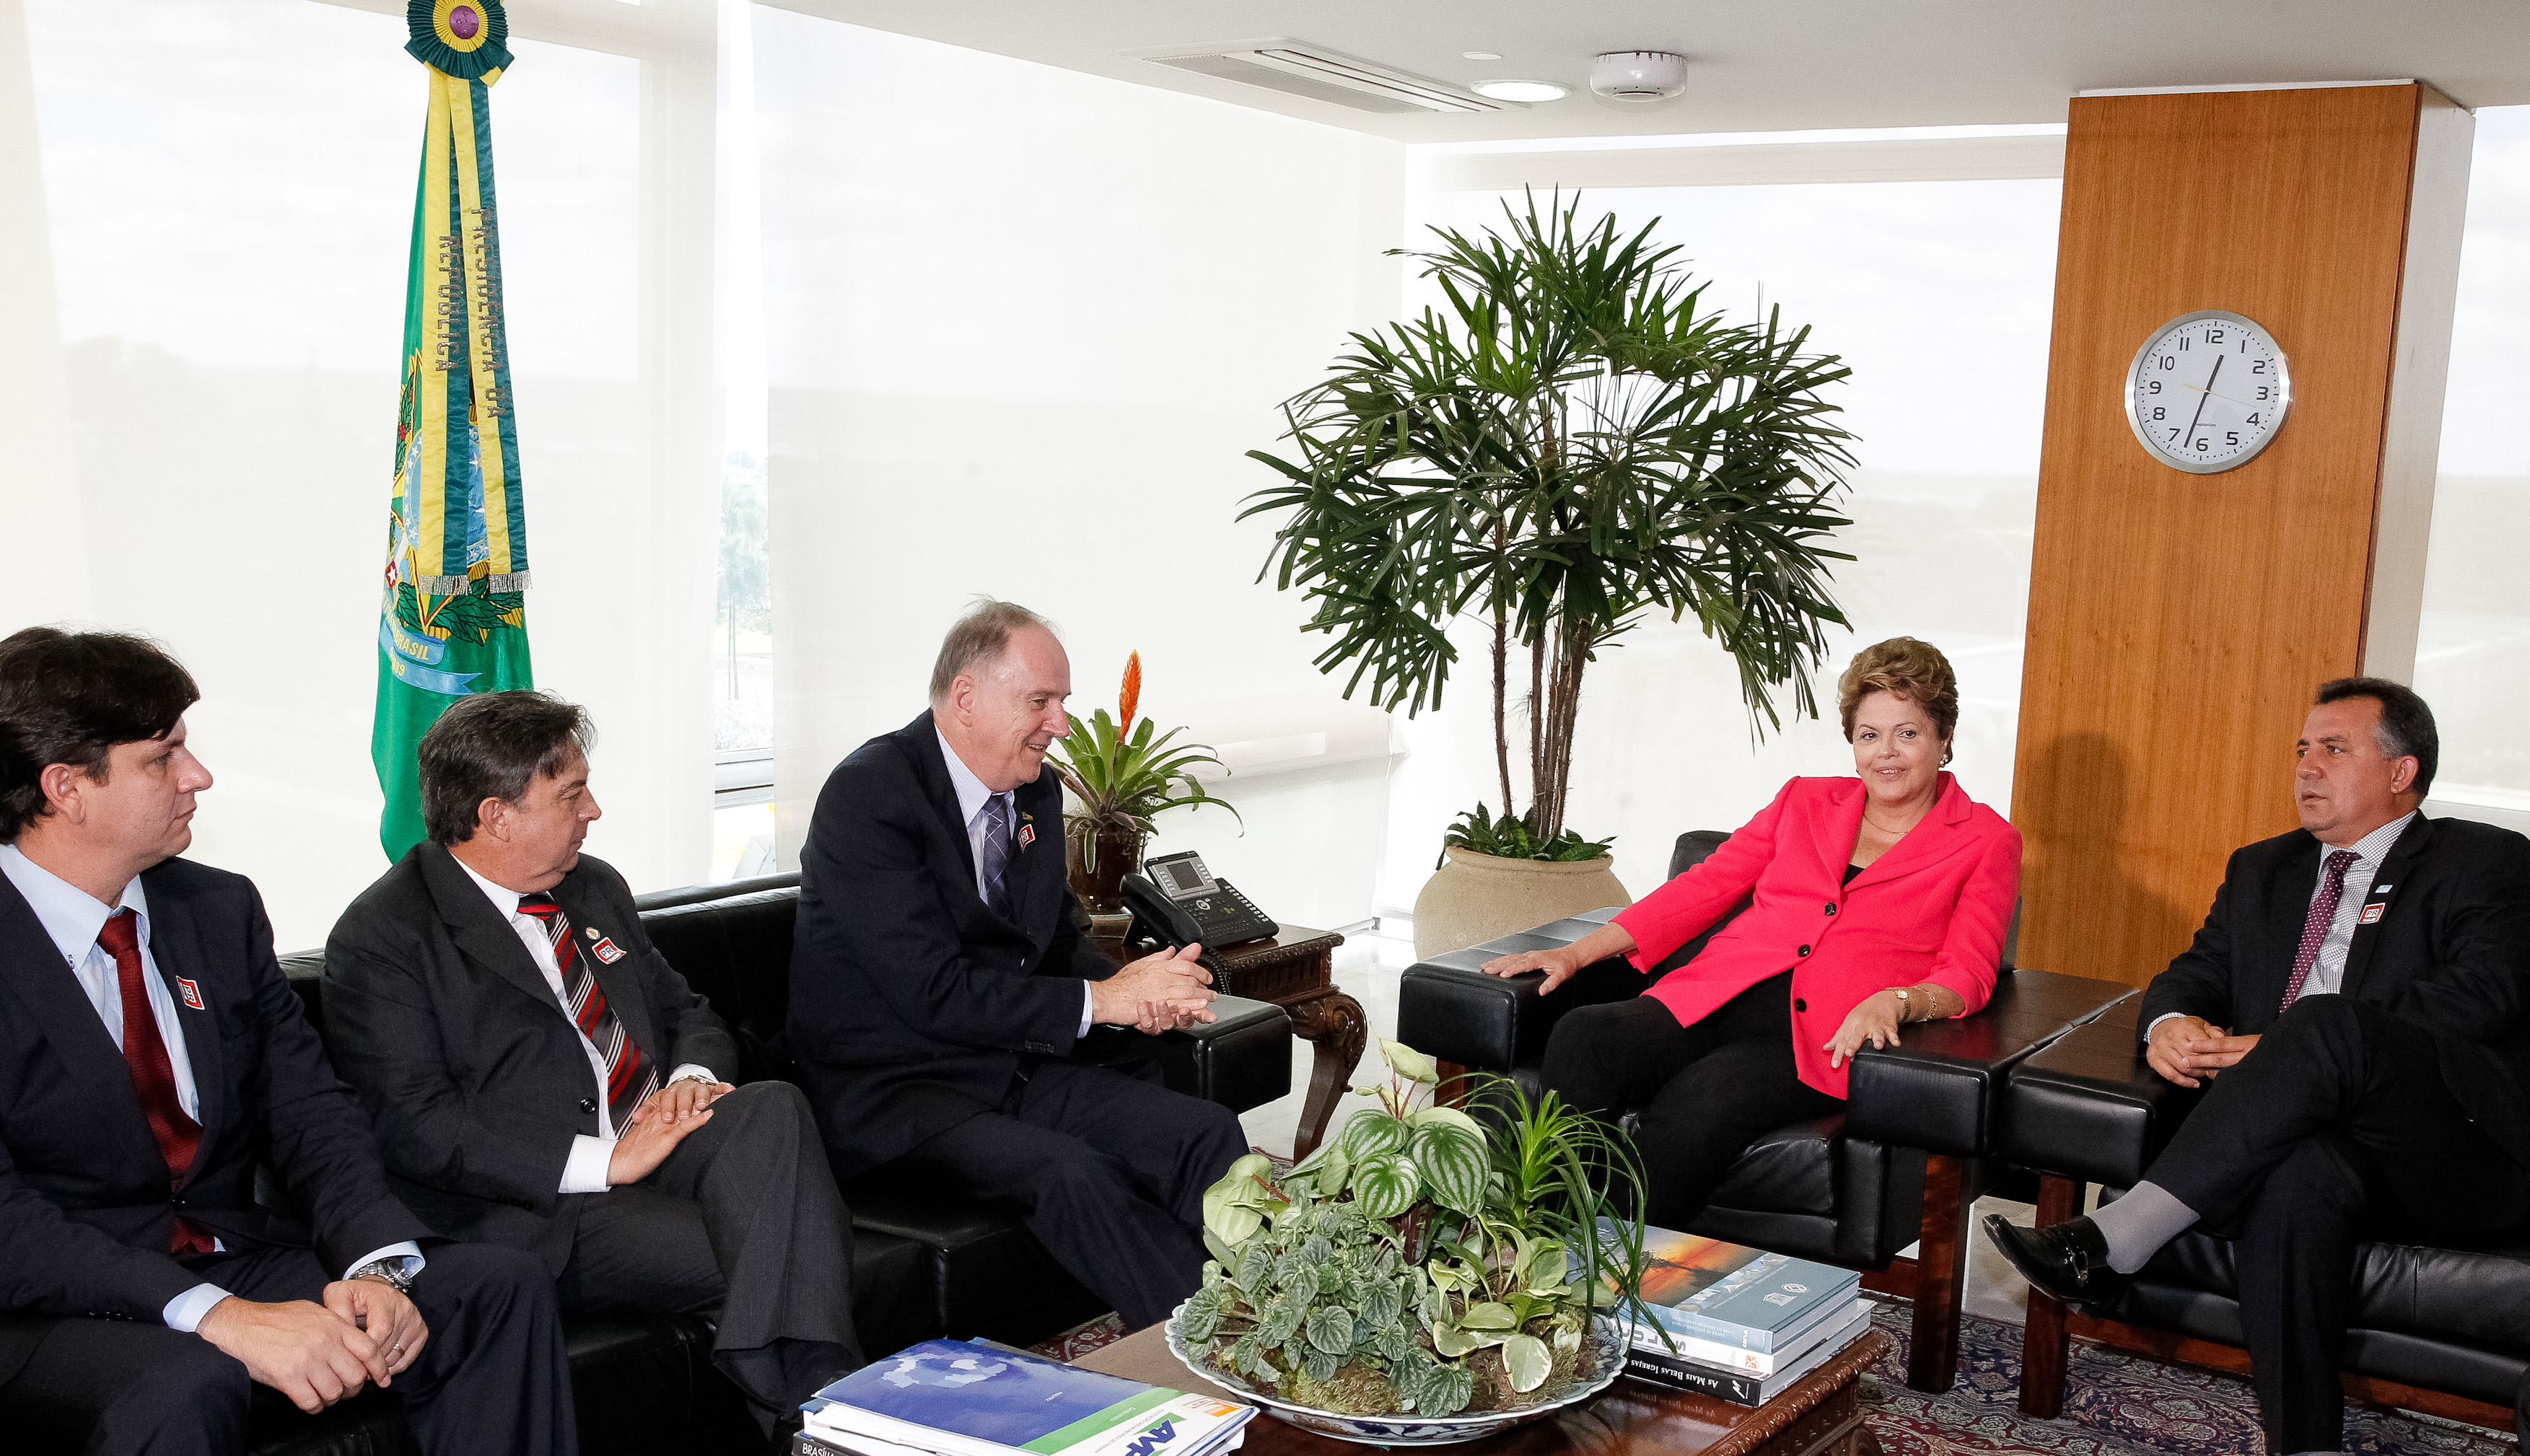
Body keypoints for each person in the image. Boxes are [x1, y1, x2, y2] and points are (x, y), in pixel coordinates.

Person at [0, 628, 575, 1456]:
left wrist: (379, 1263)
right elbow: (11, 1225)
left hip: (234, 1255)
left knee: (489, 1287)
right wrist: (224, 1319)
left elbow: (309, 1111)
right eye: (164, 757)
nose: (198, 776)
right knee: (187, 1379)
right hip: (49, 1302)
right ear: (67, 788)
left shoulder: (214, 910)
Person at [1984, 679, 2530, 1456]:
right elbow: (2193, 971)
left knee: (2323, 1022)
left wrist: (2289, 1043)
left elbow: (2483, 996)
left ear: (2400, 771)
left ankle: (2117, 1237)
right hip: (2313, 1141)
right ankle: (2303, 1443)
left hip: (2448, 1148)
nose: (2306, 766)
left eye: (2332, 749)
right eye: (2301, 749)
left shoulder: (2481, 860)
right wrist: (2170, 1023)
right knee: (2295, 1177)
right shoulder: (2262, 871)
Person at [322, 691, 861, 1437]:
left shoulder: (590, 886)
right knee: (791, 1241)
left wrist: (687, 1086)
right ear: (495, 815)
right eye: (572, 793)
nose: (595, 809)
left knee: (770, 1105)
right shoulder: (387, 937)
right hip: (545, 1207)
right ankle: (820, 1417)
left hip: (659, 1142)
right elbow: (419, 1126)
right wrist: (604, 1160)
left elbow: (685, 1011)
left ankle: (817, 1422)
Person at [787, 600, 1247, 1331]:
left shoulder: (1032, 788)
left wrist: (1143, 992)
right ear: (965, 697)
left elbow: (1058, 938)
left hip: (1006, 1066)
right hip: (901, 1091)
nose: (1060, 721)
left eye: (1061, 700)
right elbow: (930, 992)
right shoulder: (869, 797)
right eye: (1041, 700)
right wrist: (1105, 1000)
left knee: (1204, 1129)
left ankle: (1278, 1318)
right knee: (1073, 1173)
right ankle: (1216, 1348)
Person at [1480, 636, 2021, 1228]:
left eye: (1908, 733)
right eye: (1870, 735)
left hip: (1817, 1038)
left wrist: (1897, 1001)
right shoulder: (1804, 800)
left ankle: (1610, 1278)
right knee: (1586, 1036)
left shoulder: (1986, 840)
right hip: (1717, 994)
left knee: (1697, 1107)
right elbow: (1703, 888)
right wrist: (1577, 954)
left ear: (1944, 739)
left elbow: (1968, 974)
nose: (1886, 753)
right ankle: (1546, 1244)